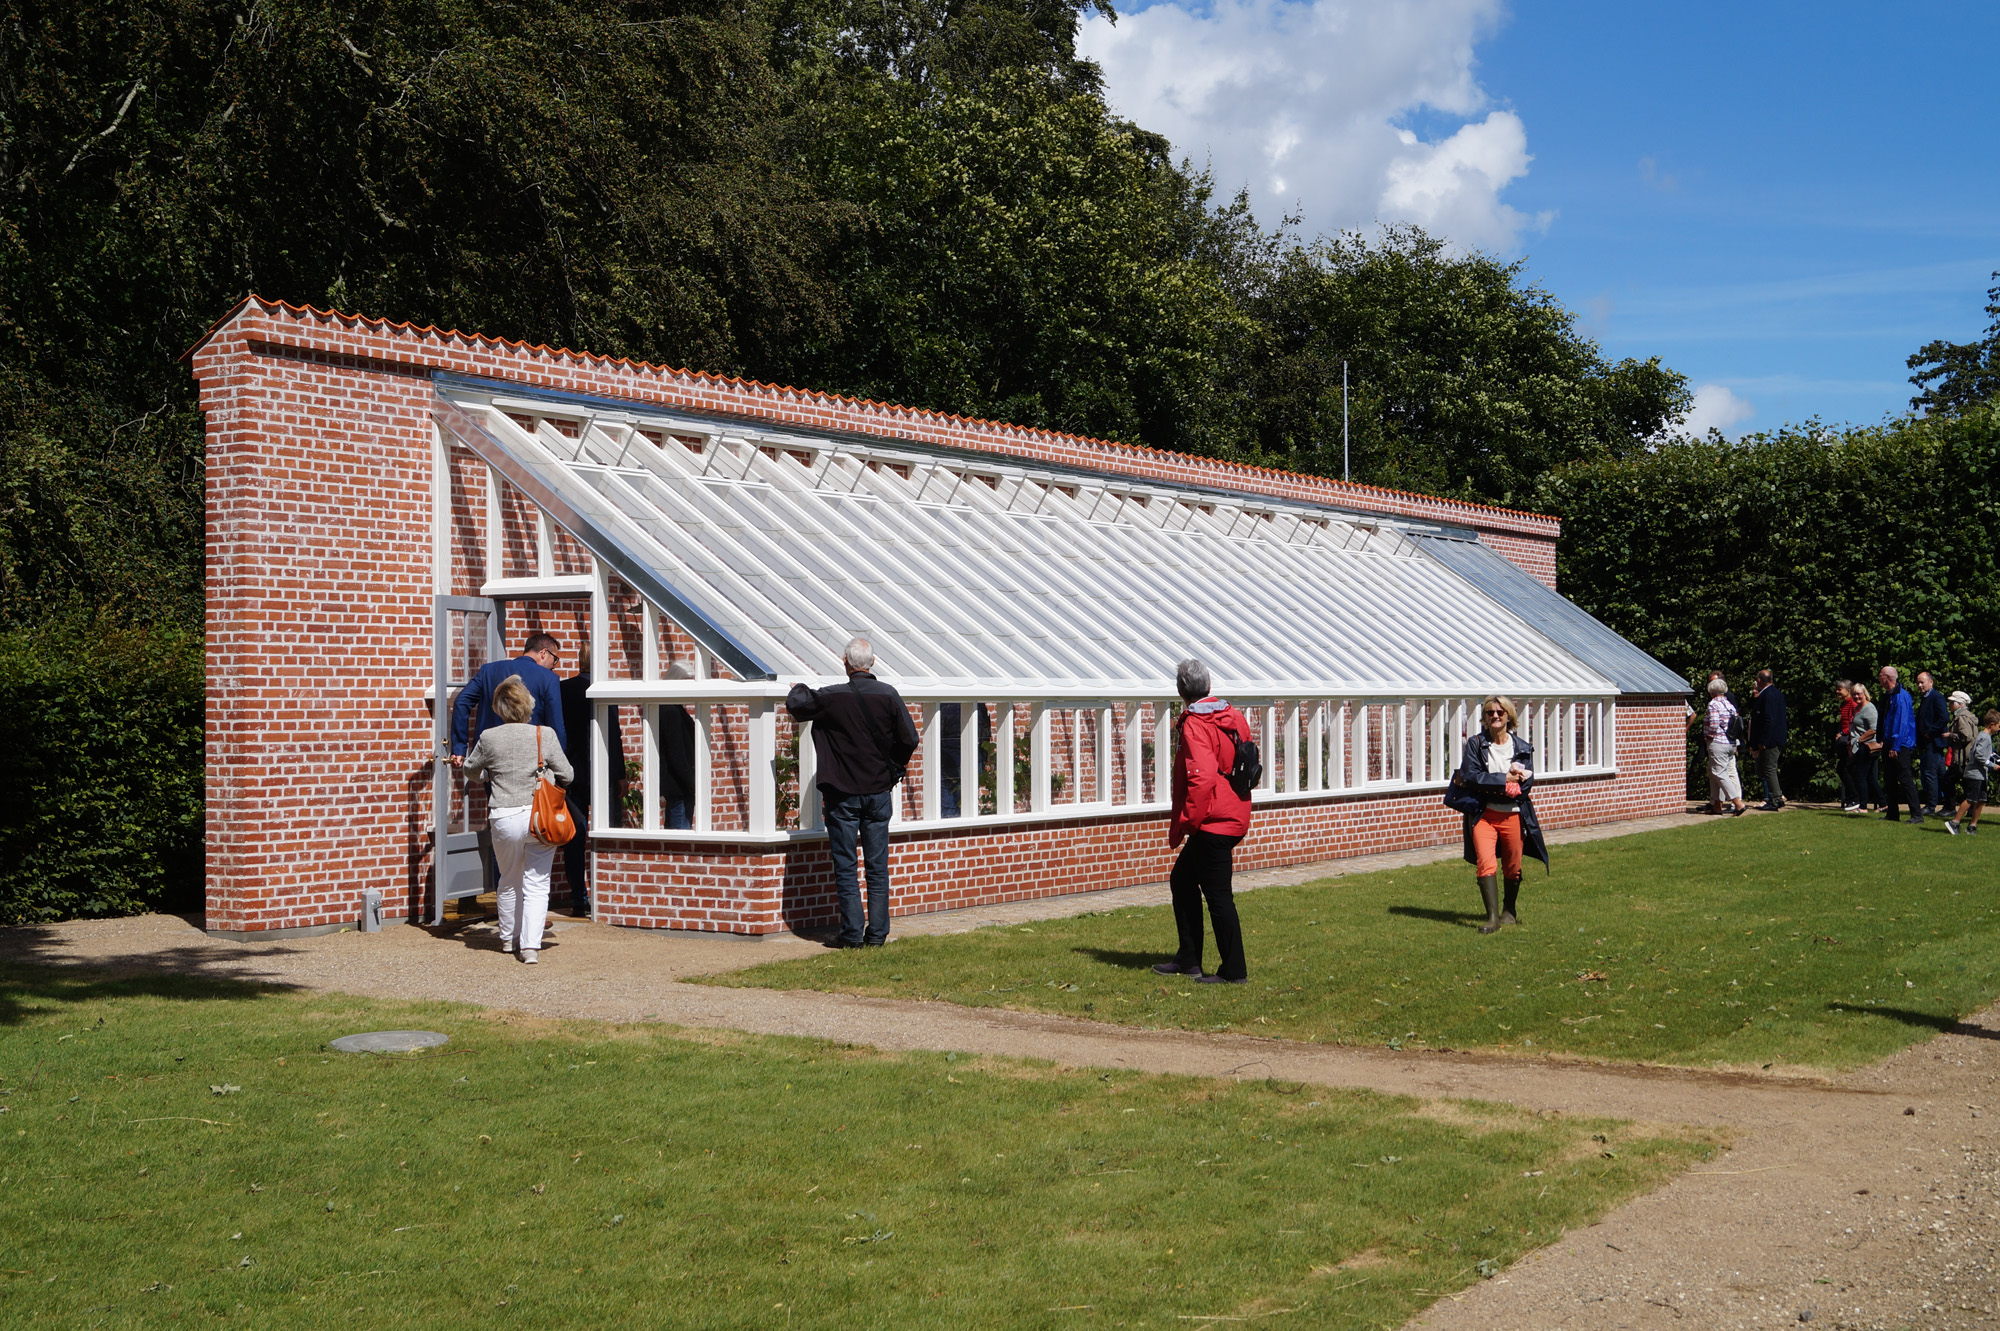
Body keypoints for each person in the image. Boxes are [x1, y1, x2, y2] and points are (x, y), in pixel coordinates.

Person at [786, 637, 918, 948]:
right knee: (877, 867)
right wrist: (893, 769)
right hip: (878, 792)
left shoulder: (833, 697)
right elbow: (910, 738)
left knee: (845, 866)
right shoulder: (889, 695)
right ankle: (876, 936)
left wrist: (798, 686)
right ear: (873, 663)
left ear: (844, 662)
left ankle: (851, 936)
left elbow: (797, 705)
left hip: (842, 794)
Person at [1153, 658, 1253, 981]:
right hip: (1234, 813)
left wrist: (1189, 821)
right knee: (1183, 880)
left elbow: (1203, 778)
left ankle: (1233, 970)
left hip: (1211, 822)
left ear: (1181, 690)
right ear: (1207, 686)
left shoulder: (1195, 723)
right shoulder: (1233, 717)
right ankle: (1188, 958)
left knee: (1218, 894)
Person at [462, 676, 573, 963]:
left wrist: (489, 774)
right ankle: (531, 947)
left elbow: (470, 771)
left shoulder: (488, 737)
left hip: (504, 816)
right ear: (528, 706)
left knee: (509, 880)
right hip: (540, 816)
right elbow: (568, 774)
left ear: (499, 709)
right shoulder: (543, 734)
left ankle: (509, 940)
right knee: (537, 883)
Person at [1445, 695, 1549, 933]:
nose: (1495, 716)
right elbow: (1471, 776)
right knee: (1485, 862)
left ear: (1509, 716)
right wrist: (1504, 779)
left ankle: (1509, 911)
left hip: (1513, 815)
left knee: (1513, 866)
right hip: (1484, 814)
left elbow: (1526, 784)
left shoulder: (1522, 747)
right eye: (1490, 712)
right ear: (1485, 717)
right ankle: (1492, 919)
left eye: (1500, 713)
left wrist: (1509, 782)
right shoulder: (1475, 744)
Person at [557, 643, 626, 915]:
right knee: (609, 832)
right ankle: (609, 895)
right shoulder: (603, 690)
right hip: (601, 773)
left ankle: (578, 897)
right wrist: (620, 774)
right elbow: (613, 735)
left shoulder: (562, 689)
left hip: (570, 773)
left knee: (574, 836)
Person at [451, 632, 567, 766]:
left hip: (490, 755)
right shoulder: (548, 678)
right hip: (531, 757)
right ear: (544, 653)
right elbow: (556, 724)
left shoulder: (488, 671)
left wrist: (459, 748)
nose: (554, 665)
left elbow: (461, 702)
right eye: (555, 659)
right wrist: (560, 760)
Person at [1690, 677, 1747, 816]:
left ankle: (1738, 803)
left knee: (1719, 773)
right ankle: (1716, 805)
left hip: (1718, 743)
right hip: (1731, 743)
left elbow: (1714, 724)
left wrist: (1708, 735)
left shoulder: (1713, 704)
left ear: (1711, 691)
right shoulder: (1729, 705)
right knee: (1714, 771)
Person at [1878, 666, 1921, 824]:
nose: (1878, 679)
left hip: (1900, 743)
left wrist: (1896, 745)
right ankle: (1892, 813)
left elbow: (1902, 722)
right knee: (1889, 779)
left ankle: (1916, 814)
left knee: (1905, 779)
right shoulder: (1889, 695)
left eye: (1880, 675)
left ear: (1887, 677)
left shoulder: (1901, 696)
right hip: (1889, 741)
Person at [1946, 710, 1999, 836]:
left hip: (1981, 774)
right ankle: (1954, 822)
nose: (1999, 728)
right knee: (1971, 798)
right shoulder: (1984, 737)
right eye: (1999, 726)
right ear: (1992, 724)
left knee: (1981, 799)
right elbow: (1979, 756)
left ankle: (1972, 826)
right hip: (1974, 773)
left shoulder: (1986, 737)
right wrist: (1993, 765)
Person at [659, 662, 698, 830]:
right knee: (680, 835)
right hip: (679, 788)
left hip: (679, 787)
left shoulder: (673, 709)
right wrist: (692, 784)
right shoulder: (670, 711)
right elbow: (677, 754)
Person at [938, 701, 993, 819]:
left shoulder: (944, 702)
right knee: (969, 808)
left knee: (949, 810)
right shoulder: (975, 701)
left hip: (948, 759)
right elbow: (985, 731)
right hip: (970, 758)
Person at [1747, 669, 1788, 811]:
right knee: (1767, 769)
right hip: (1776, 737)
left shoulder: (1767, 695)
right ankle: (1775, 797)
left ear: (1759, 680)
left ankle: (1775, 799)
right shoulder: (1777, 693)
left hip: (1770, 740)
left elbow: (1768, 719)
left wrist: (1763, 740)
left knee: (1769, 769)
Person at [1915, 671, 1950, 816]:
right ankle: (1949, 804)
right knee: (1941, 774)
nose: (1920, 685)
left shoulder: (1936, 697)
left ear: (1931, 682)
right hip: (1928, 741)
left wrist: (1930, 731)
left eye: (1922, 682)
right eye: (1918, 682)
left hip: (1934, 742)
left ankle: (1931, 805)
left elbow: (1944, 717)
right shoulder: (1925, 698)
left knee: (1931, 773)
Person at [1846, 682, 1881, 814]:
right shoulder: (1858, 708)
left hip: (1867, 746)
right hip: (1860, 746)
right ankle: (1883, 803)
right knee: (1869, 777)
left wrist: (1860, 740)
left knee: (1860, 776)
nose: (1856, 697)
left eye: (1859, 694)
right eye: (1854, 694)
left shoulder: (1869, 708)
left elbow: (1874, 729)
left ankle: (1863, 806)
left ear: (1864, 694)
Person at [1943, 690, 1979, 814]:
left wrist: (1950, 735)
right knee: (1965, 784)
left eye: (1952, 702)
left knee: (1949, 781)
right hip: (1966, 757)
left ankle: (1950, 808)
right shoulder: (1968, 716)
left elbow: (1966, 736)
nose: (1950, 705)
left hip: (1962, 757)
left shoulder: (1961, 718)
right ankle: (1970, 810)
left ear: (1959, 704)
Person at [1834, 680, 1859, 811]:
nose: (1837, 691)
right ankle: (1851, 797)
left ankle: (1854, 797)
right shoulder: (1844, 705)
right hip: (1844, 740)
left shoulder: (1852, 704)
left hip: (1849, 741)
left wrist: (1842, 733)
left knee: (1845, 769)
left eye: (1840, 689)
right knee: (1843, 769)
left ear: (1848, 691)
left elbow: (1853, 723)